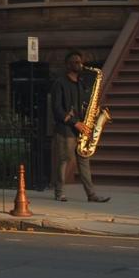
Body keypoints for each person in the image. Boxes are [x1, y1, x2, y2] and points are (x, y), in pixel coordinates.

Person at [48, 49, 109, 203]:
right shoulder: (59, 83)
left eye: (80, 62)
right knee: (64, 160)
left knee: (84, 162)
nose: (79, 64)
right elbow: (57, 109)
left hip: (82, 129)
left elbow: (86, 105)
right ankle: (59, 193)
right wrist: (76, 123)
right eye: (75, 62)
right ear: (67, 65)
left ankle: (91, 195)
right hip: (66, 130)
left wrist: (95, 113)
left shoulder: (81, 83)